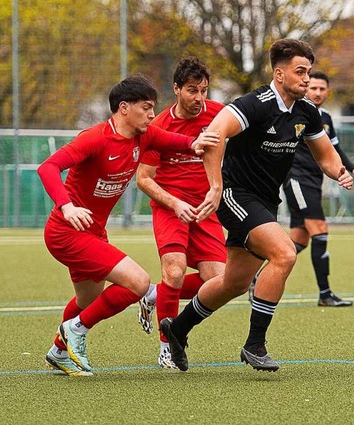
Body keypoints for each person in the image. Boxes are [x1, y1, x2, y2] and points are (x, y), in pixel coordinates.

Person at [159, 38, 354, 373]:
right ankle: (255, 344)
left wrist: (340, 171)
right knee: (285, 253)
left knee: (233, 282)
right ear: (279, 74)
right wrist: (216, 186)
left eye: (308, 72)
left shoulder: (306, 112)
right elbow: (214, 134)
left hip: (264, 201)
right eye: (300, 72)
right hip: (236, 195)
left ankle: (177, 329)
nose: (307, 79)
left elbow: (325, 156)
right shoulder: (255, 103)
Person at [37, 74, 219, 376]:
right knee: (136, 282)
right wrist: (66, 206)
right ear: (124, 108)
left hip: (93, 233)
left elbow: (179, 142)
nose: (151, 115)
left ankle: (58, 351)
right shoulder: (95, 138)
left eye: (153, 108)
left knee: (88, 300)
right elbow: (48, 167)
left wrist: (196, 142)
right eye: (146, 108)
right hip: (66, 233)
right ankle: (76, 331)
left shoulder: (143, 137)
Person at [135, 57, 227, 369]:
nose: (200, 98)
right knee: (174, 270)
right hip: (170, 208)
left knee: (219, 281)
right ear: (176, 89)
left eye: (204, 90)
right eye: (192, 91)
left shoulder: (218, 115)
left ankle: (156, 295)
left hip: (205, 209)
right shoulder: (158, 126)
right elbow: (143, 178)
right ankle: (166, 348)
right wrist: (175, 203)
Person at [282, 71, 354, 306]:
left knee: (299, 240)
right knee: (320, 230)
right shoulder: (294, 113)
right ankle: (325, 294)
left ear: (327, 91)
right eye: (314, 88)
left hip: (314, 181)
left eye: (322, 89)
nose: (318, 93)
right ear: (306, 89)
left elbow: (334, 149)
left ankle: (254, 278)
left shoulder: (326, 117)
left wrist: (352, 168)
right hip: (296, 180)